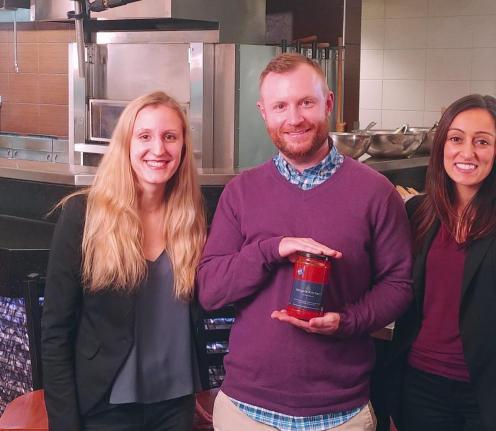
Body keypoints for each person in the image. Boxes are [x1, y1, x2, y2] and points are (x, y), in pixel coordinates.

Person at [197, 53, 413, 430]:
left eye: (306, 103)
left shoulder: (376, 193)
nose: (293, 118)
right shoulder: (241, 192)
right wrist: (271, 249)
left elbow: (399, 285)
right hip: (246, 410)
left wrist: (346, 321)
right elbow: (211, 289)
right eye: (280, 106)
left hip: (341, 412)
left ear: (328, 103)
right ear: (264, 112)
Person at [383, 94, 496, 431]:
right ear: (441, 147)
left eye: (482, 141)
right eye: (456, 139)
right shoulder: (417, 213)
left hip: (493, 396)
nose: (467, 153)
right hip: (419, 388)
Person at [41, 91, 207, 431]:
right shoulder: (82, 215)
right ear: (125, 145)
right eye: (144, 136)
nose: (158, 149)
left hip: (176, 404)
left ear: (183, 148)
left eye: (170, 137)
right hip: (105, 406)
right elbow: (55, 331)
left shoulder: (194, 219)